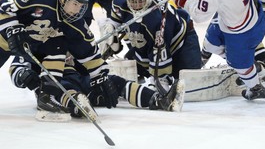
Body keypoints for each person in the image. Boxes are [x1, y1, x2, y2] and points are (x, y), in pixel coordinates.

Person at [0, 0, 119, 120]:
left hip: (32, 46)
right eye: (75, 4)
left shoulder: (75, 23)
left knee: (58, 45)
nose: (78, 10)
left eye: (82, 6)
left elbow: (87, 49)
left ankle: (47, 96)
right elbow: (4, 5)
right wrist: (12, 28)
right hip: (3, 40)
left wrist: (100, 76)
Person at [99, 0, 202, 92]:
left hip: (182, 42)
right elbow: (117, 20)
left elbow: (160, 51)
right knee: (138, 52)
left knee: (190, 85)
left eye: (141, 2)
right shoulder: (120, 1)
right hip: (149, 39)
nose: (137, 6)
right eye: (133, 2)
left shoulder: (158, 19)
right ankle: (145, 71)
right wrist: (110, 28)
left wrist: (159, 79)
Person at [9, 55, 185, 116]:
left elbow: (88, 57)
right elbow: (16, 67)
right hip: (53, 85)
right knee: (62, 86)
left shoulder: (68, 32)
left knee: (114, 81)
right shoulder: (34, 37)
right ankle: (77, 106)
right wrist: (24, 75)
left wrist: (98, 74)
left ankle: (159, 100)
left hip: (80, 78)